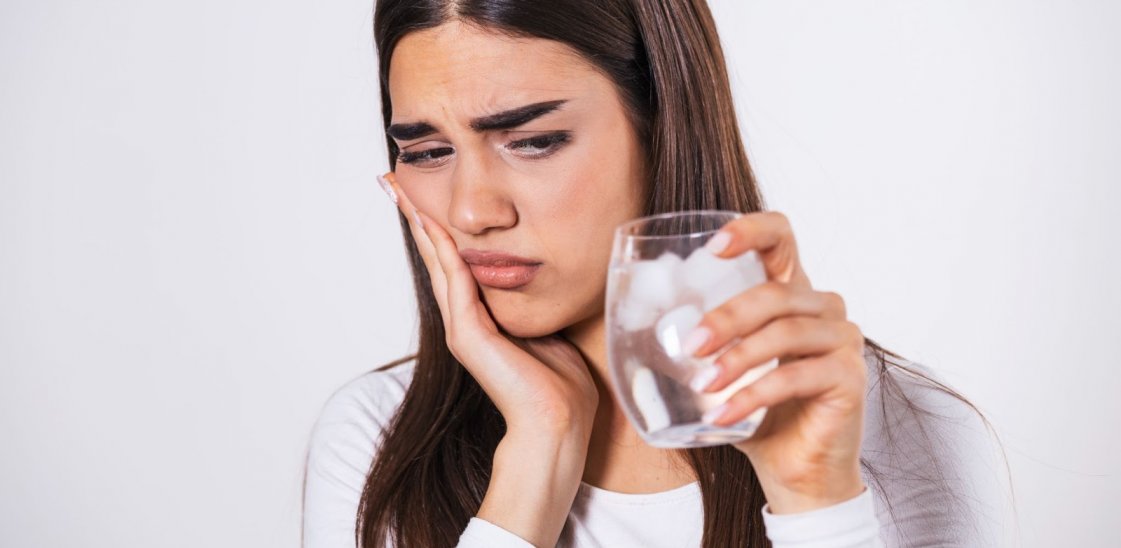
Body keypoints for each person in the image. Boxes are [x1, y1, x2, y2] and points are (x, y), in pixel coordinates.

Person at [302, 1, 1013, 546]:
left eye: (533, 141)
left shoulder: (904, 431)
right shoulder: (378, 438)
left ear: (662, 124)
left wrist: (816, 501)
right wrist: (532, 464)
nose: (472, 210)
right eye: (427, 152)